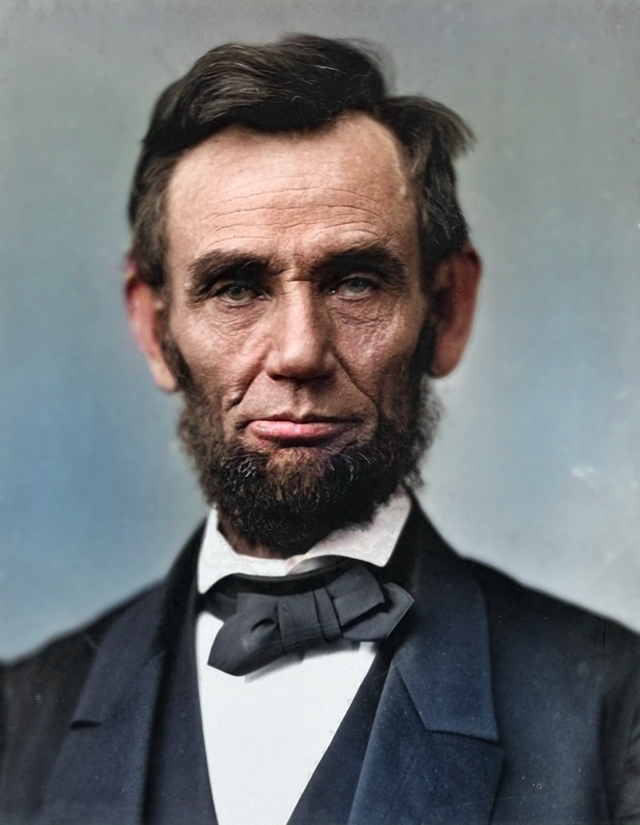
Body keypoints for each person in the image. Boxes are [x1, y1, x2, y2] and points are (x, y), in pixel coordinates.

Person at [1, 34, 639, 825]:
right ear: (152, 325)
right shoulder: (16, 725)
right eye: (236, 287)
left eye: (356, 282)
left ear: (448, 308)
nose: (300, 351)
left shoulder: (616, 710)